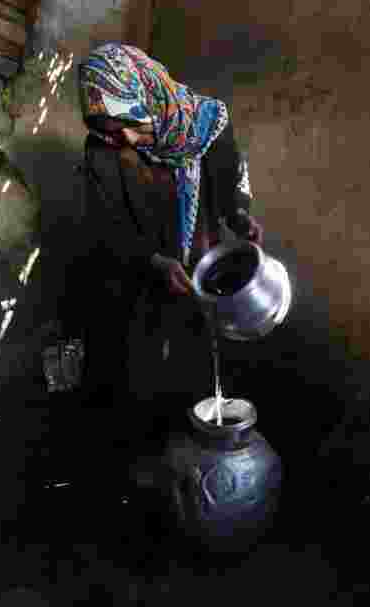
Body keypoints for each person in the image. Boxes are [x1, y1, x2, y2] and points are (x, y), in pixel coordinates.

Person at [72, 42, 263, 453]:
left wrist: (240, 216)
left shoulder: (207, 123)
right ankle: (146, 459)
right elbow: (107, 223)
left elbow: (232, 185)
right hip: (141, 274)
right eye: (106, 126)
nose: (121, 136)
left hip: (199, 268)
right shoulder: (103, 150)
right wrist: (153, 261)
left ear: (147, 95)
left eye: (125, 121)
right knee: (139, 370)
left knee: (198, 362)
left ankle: (196, 450)